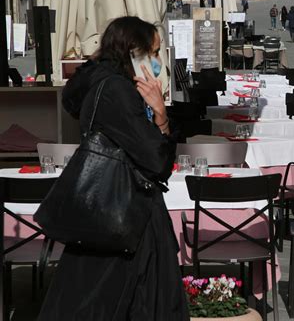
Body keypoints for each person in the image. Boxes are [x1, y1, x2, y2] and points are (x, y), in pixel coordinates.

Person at [37, 17, 189, 320]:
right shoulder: (116, 91)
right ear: (134, 51)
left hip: (110, 215)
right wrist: (161, 116)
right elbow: (157, 161)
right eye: (154, 52)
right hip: (126, 218)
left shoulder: (103, 84)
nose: (158, 61)